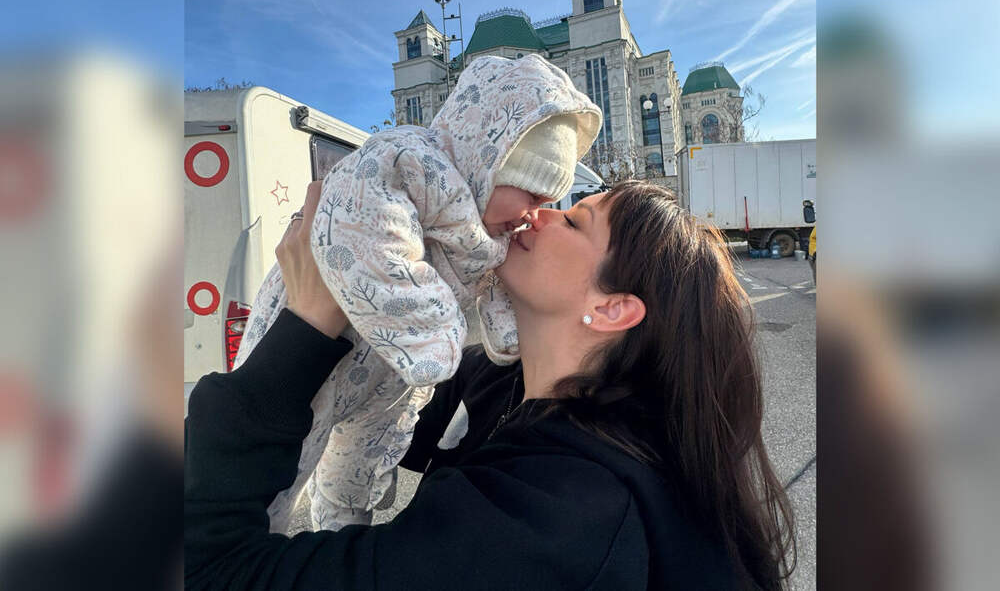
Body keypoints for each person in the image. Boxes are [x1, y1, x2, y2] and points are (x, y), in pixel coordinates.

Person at [185, 180, 796, 589]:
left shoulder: (561, 519)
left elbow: (210, 570)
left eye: (574, 220)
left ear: (612, 309)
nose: (541, 212)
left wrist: (305, 321)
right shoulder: (502, 383)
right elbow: (376, 405)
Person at [232, 53, 602, 532]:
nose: (535, 213)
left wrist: (510, 335)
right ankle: (250, 545)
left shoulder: (491, 232)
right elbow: (365, 230)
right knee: (279, 474)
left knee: (355, 477)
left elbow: (495, 284)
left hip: (388, 375)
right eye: (532, 195)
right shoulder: (407, 160)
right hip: (317, 352)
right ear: (490, 162)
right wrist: (431, 334)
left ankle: (345, 528)